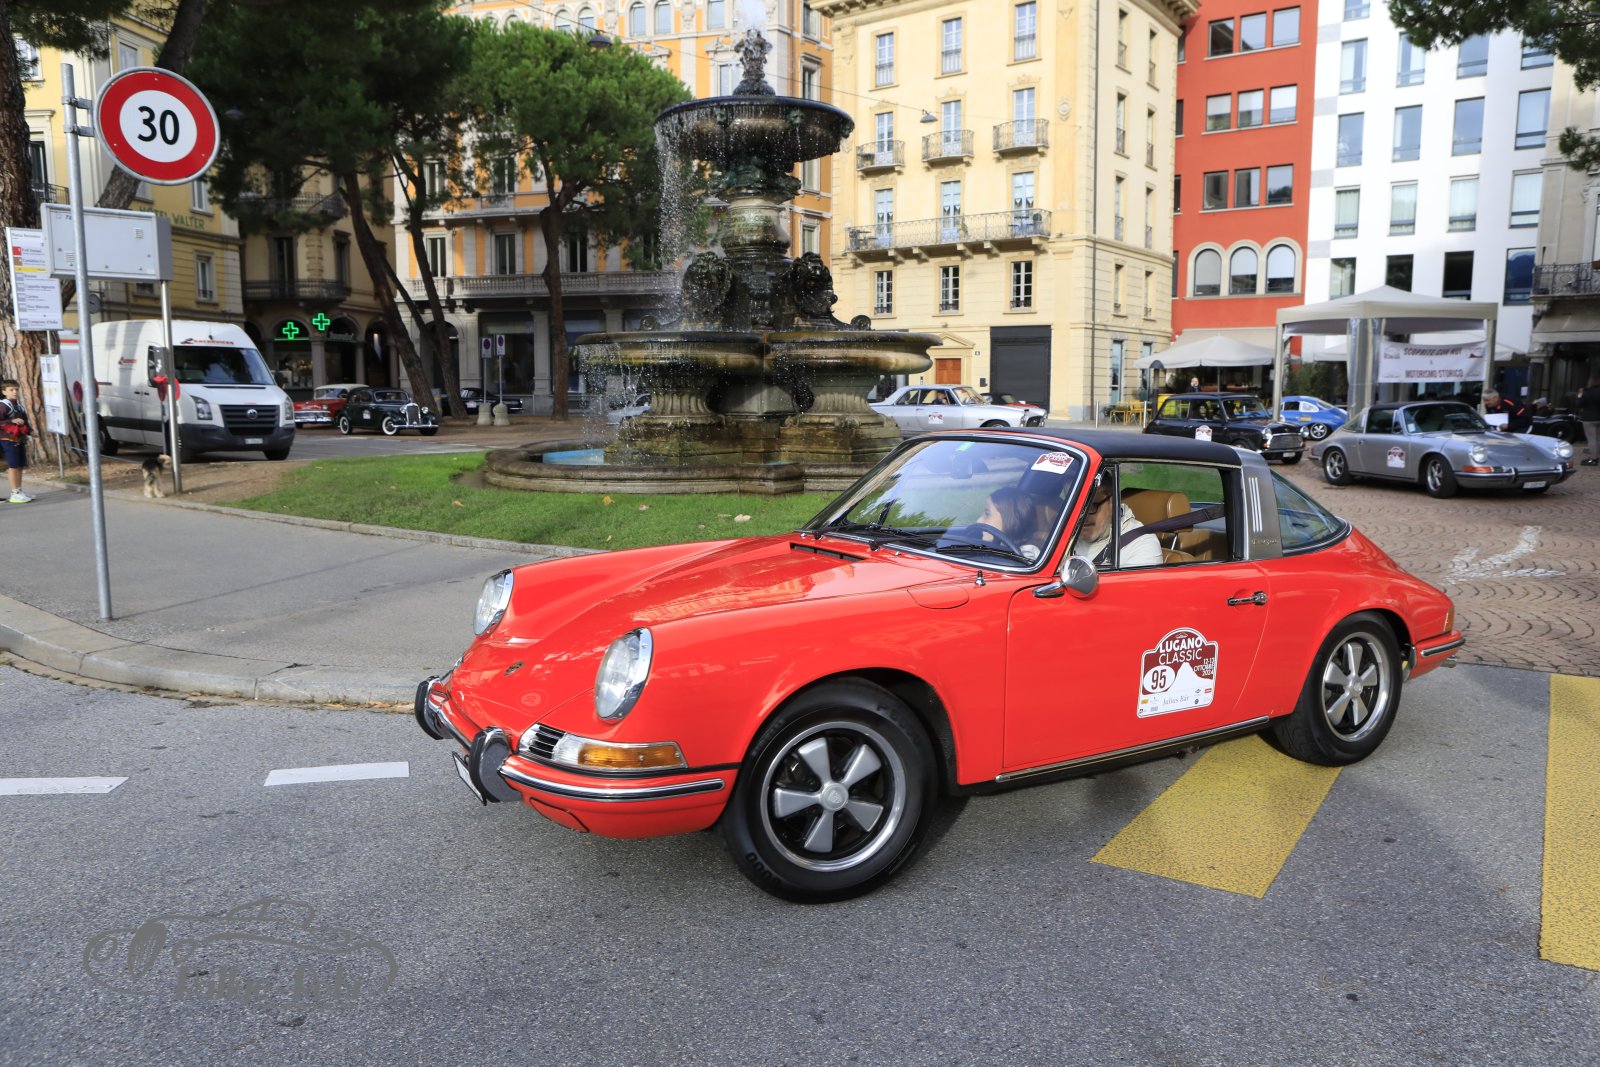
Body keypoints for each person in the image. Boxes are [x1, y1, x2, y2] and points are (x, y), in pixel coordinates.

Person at [1071, 478, 1163, 568]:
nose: (1081, 516)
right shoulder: (1065, 528)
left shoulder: (1141, 544)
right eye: (1074, 507)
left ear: (1112, 503)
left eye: (1090, 507)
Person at [0, 378, 33, 503]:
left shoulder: (18, 405)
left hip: (19, 438)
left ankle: (19, 490)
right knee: (13, 466)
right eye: (11, 390)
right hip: (8, 439)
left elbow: (25, 421)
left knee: (20, 465)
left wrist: (30, 431)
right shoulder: (3, 406)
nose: (15, 392)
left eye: (16, 389)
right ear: (4, 392)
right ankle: (14, 493)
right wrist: (11, 421)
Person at [1578, 376, 1600, 467]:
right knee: (1598, 438)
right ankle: (1596, 455)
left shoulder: (1586, 392)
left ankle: (1593, 459)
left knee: (1592, 439)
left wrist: (1580, 395)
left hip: (1589, 418)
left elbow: (1579, 404)